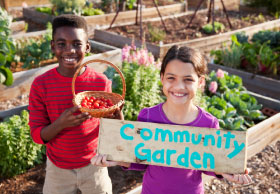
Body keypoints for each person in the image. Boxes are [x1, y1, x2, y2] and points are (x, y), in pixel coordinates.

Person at [91, 45, 252, 194]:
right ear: (162, 78)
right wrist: (119, 159)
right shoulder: (148, 116)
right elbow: (141, 159)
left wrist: (225, 170)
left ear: (201, 82)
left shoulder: (208, 123)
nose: (179, 86)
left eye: (188, 79)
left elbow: (208, 163)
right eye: (171, 78)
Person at [28, 14, 122, 194]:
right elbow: (37, 136)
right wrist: (61, 123)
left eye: (77, 44)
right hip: (58, 169)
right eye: (61, 44)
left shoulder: (100, 83)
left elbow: (111, 130)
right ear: (53, 46)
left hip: (94, 165)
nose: (69, 50)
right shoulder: (41, 85)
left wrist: (117, 118)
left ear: (87, 47)